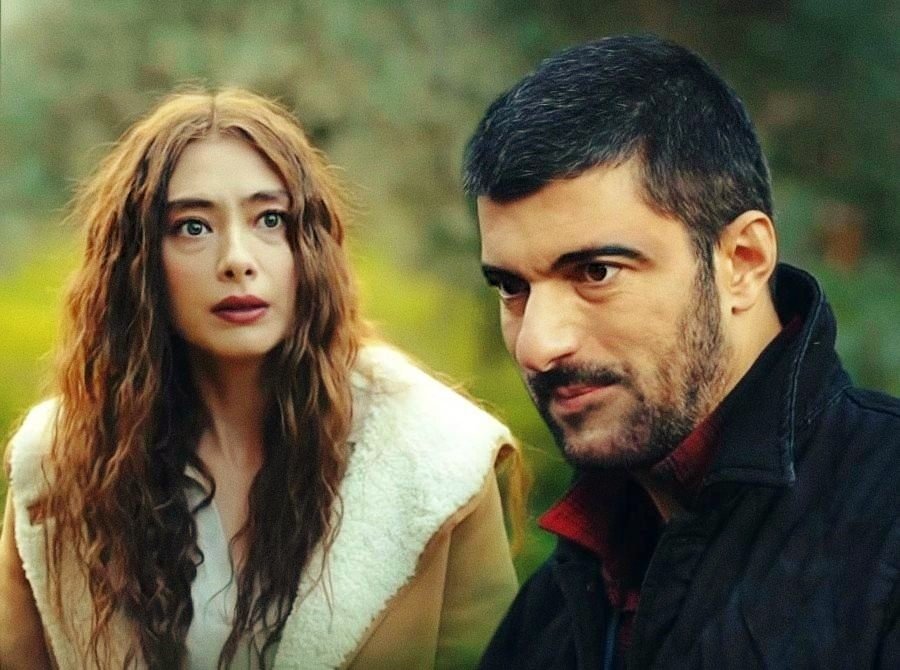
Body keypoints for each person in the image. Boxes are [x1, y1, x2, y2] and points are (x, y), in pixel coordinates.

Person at [0, 88, 521, 669]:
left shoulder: (436, 457)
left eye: (270, 220)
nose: (237, 259)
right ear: (139, 262)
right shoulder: (60, 464)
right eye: (192, 227)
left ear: (309, 246)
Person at [463, 34, 900, 669]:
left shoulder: (883, 526)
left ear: (742, 261)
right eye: (511, 287)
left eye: (596, 272)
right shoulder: (554, 606)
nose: (538, 344)